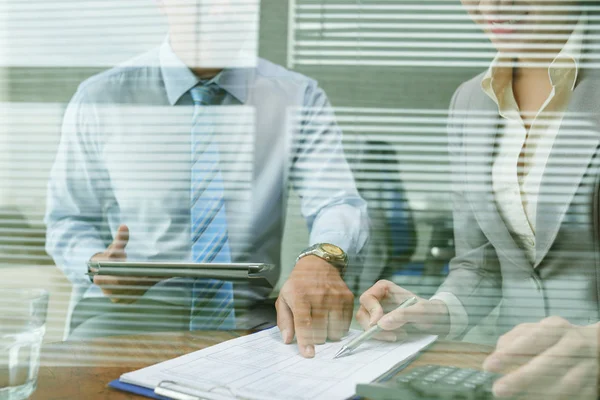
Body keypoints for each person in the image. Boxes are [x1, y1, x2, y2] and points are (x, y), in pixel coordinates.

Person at [45, 0, 368, 359]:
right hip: (127, 313)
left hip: (249, 316)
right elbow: (68, 220)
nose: (223, 11)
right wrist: (97, 264)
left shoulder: (297, 96)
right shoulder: (101, 97)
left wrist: (321, 257)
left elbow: (336, 201)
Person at [357, 0, 599, 397]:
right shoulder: (471, 100)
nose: (491, 4)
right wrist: (438, 311)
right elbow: (483, 262)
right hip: (509, 378)